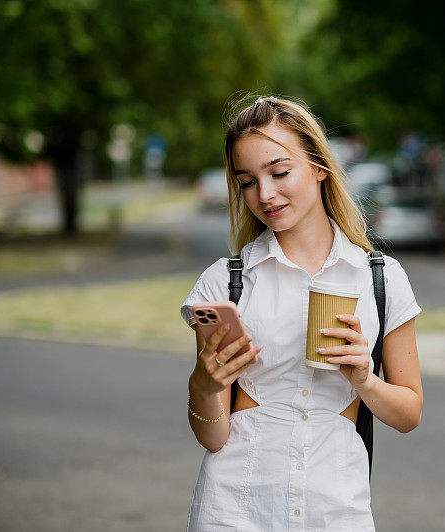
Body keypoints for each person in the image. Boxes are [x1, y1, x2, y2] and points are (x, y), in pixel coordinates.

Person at [180, 95, 424, 531]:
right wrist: (203, 384)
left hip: (336, 511)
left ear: (319, 166)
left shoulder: (380, 280)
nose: (265, 194)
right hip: (235, 511)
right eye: (248, 181)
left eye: (279, 172)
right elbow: (213, 437)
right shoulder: (225, 284)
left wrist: (364, 378)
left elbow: (409, 415)